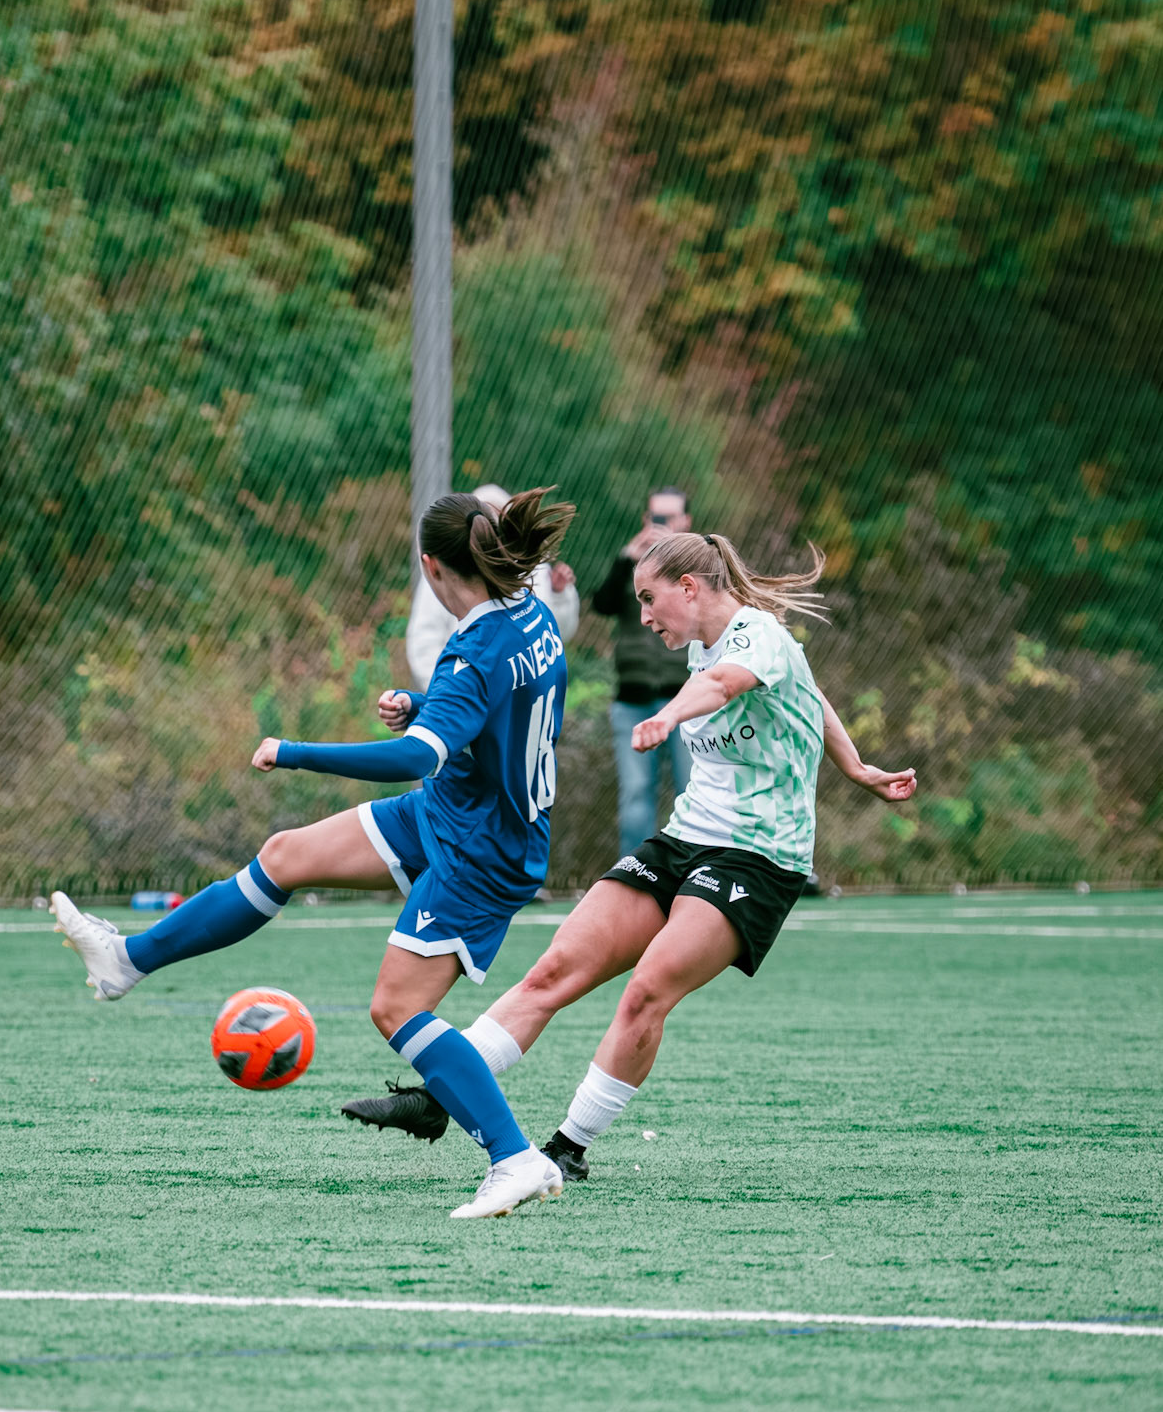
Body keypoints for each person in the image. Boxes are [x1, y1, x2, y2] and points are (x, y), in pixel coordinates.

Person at [50, 487, 576, 1221]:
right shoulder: (531, 617)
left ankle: (515, 1158)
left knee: (396, 1009)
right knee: (285, 854)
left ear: (429, 565)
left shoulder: (470, 648)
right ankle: (125, 961)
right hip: (458, 810)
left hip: (480, 847)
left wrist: (292, 750)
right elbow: (505, 708)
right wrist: (425, 706)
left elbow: (417, 757)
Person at [343, 531, 916, 1180]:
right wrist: (857, 768)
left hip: (756, 856)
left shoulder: (756, 635)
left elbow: (726, 685)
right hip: (684, 839)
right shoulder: (713, 640)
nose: (642, 616)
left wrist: (669, 717)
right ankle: (438, 1099)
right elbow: (806, 695)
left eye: (649, 599)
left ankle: (567, 1148)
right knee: (554, 970)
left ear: (689, 588)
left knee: (646, 992)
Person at [591, 485, 695, 855]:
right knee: (635, 795)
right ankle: (633, 880)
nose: (662, 524)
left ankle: (695, 876)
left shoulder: (700, 570)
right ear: (645, 519)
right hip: (632, 700)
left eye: (670, 518)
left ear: (686, 521)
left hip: (687, 701)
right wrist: (626, 559)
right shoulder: (631, 567)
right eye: (656, 517)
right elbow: (601, 604)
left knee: (695, 792)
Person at [406, 482, 578, 688]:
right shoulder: (448, 571)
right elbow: (424, 638)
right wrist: (441, 692)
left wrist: (558, 595)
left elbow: (558, 632)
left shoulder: (533, 572)